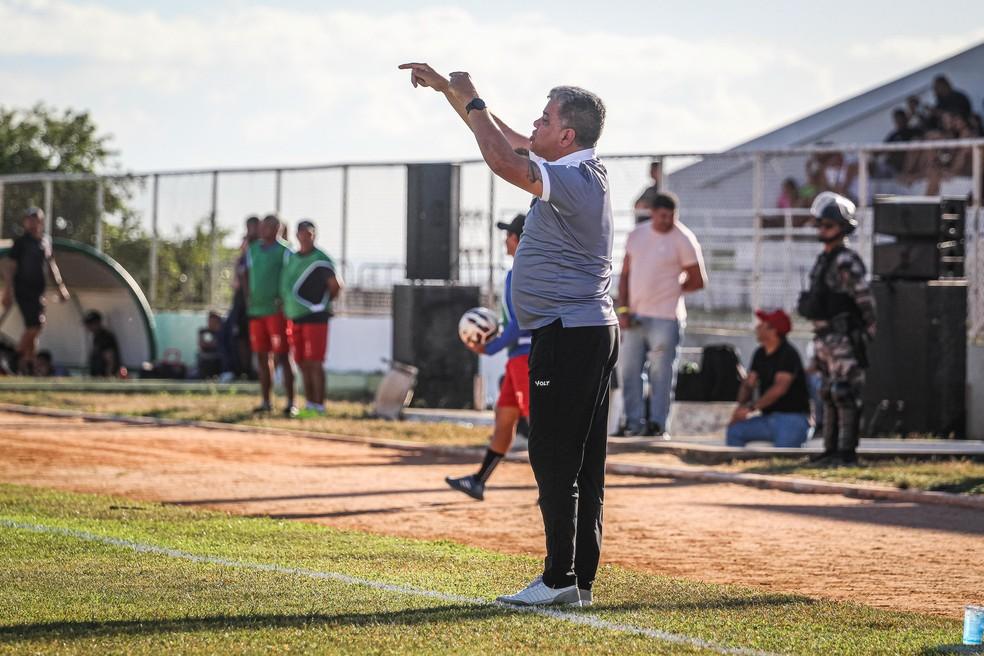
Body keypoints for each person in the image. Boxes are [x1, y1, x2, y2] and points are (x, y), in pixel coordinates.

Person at [400, 62, 618, 608]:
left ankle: (559, 578)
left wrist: (472, 99)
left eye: (545, 119)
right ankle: (576, 581)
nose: (535, 125)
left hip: (569, 335)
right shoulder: (571, 165)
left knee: (553, 455)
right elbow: (503, 140)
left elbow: (501, 158)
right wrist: (452, 94)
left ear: (567, 135)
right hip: (580, 331)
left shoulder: (575, 178)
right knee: (580, 462)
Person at [446, 213, 532, 501]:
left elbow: (519, 325)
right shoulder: (526, 271)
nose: (505, 241)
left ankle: (558, 488)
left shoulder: (519, 273)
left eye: (509, 235)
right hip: (518, 356)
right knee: (505, 420)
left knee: (539, 426)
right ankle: (478, 481)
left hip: (525, 357)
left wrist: (489, 348)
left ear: (517, 239)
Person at [616, 191, 706, 438]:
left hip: (666, 318)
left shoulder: (684, 238)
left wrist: (673, 291)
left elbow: (698, 280)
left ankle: (657, 424)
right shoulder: (637, 235)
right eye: (663, 215)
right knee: (629, 371)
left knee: (661, 373)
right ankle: (632, 423)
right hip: (635, 315)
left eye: (671, 216)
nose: (667, 221)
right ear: (653, 213)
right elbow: (625, 275)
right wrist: (623, 309)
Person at [797, 192, 876, 466]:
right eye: (820, 225)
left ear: (842, 227)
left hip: (843, 336)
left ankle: (846, 452)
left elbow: (864, 298)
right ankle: (830, 449)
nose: (822, 230)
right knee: (828, 392)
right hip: (824, 337)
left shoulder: (846, 261)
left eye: (828, 225)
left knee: (845, 392)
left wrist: (867, 329)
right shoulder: (824, 259)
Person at [280, 220, 342, 417]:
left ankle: (319, 406)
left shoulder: (321, 259)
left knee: (315, 362)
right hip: (295, 317)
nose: (305, 237)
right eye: (302, 233)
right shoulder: (292, 258)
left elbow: (336, 286)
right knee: (302, 362)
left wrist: (320, 305)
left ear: (314, 235)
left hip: (316, 318)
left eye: (309, 233)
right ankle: (309, 405)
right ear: (297, 235)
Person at [726, 309, 811, 448]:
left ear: (773, 331)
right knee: (735, 431)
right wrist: (741, 405)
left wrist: (751, 408)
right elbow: (749, 384)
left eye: (762, 324)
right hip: (767, 418)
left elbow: (779, 388)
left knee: (782, 456)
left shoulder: (788, 353)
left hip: (793, 419)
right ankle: (739, 461)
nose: (757, 327)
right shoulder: (760, 353)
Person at [1, 208, 69, 375]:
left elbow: (51, 265)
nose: (32, 223)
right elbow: (10, 267)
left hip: (38, 292)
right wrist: (8, 290)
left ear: (41, 222)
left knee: (35, 330)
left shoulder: (46, 241)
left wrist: (61, 287)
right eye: (29, 220)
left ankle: (29, 365)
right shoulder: (21, 243)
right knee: (36, 324)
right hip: (23, 290)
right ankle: (15, 357)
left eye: (35, 220)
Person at [245, 214, 296, 416]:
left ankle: (291, 402)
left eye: (269, 226)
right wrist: (248, 296)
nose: (264, 230)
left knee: (283, 355)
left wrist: (284, 300)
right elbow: (245, 273)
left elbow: (291, 276)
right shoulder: (253, 249)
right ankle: (266, 401)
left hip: (276, 312)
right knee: (261, 356)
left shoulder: (286, 251)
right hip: (256, 311)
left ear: (277, 229)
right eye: (263, 226)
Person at [83, 310, 120, 377]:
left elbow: (110, 361)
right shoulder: (96, 338)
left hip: (103, 378)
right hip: (97, 377)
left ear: (97, 323)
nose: (88, 327)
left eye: (90, 324)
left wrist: (107, 378)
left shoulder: (105, 337)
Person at [197, 311, 223, 379]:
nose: (211, 323)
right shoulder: (203, 331)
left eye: (214, 322)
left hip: (218, 360)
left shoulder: (222, 332)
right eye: (210, 321)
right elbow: (202, 344)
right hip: (206, 361)